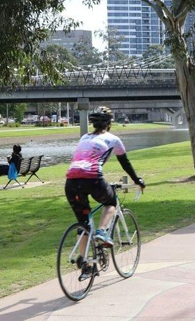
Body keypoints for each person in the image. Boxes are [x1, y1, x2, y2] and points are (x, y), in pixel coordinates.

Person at [65, 106, 146, 279]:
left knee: (84, 223)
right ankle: (102, 232)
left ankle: (86, 265)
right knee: (110, 202)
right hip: (93, 178)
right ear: (109, 124)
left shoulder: (84, 137)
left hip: (71, 181)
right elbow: (125, 163)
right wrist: (137, 180)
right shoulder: (113, 139)